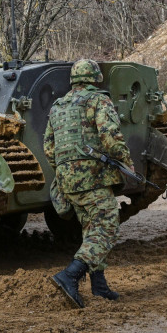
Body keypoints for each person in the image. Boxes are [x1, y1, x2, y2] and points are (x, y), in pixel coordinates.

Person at [44, 59, 133, 309]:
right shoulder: (98, 100)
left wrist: (66, 171)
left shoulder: (58, 106)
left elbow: (49, 147)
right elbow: (111, 137)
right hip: (93, 177)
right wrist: (126, 162)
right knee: (106, 227)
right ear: (95, 78)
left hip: (67, 180)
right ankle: (70, 275)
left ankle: (99, 285)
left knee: (90, 228)